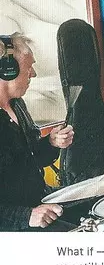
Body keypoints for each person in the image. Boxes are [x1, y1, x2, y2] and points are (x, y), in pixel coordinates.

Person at [0, 34, 75, 231]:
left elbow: (30, 159)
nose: (33, 74)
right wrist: (27, 216)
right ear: (8, 70)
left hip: (39, 199)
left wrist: (51, 142)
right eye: (28, 66)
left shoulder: (17, 105)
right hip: (14, 223)